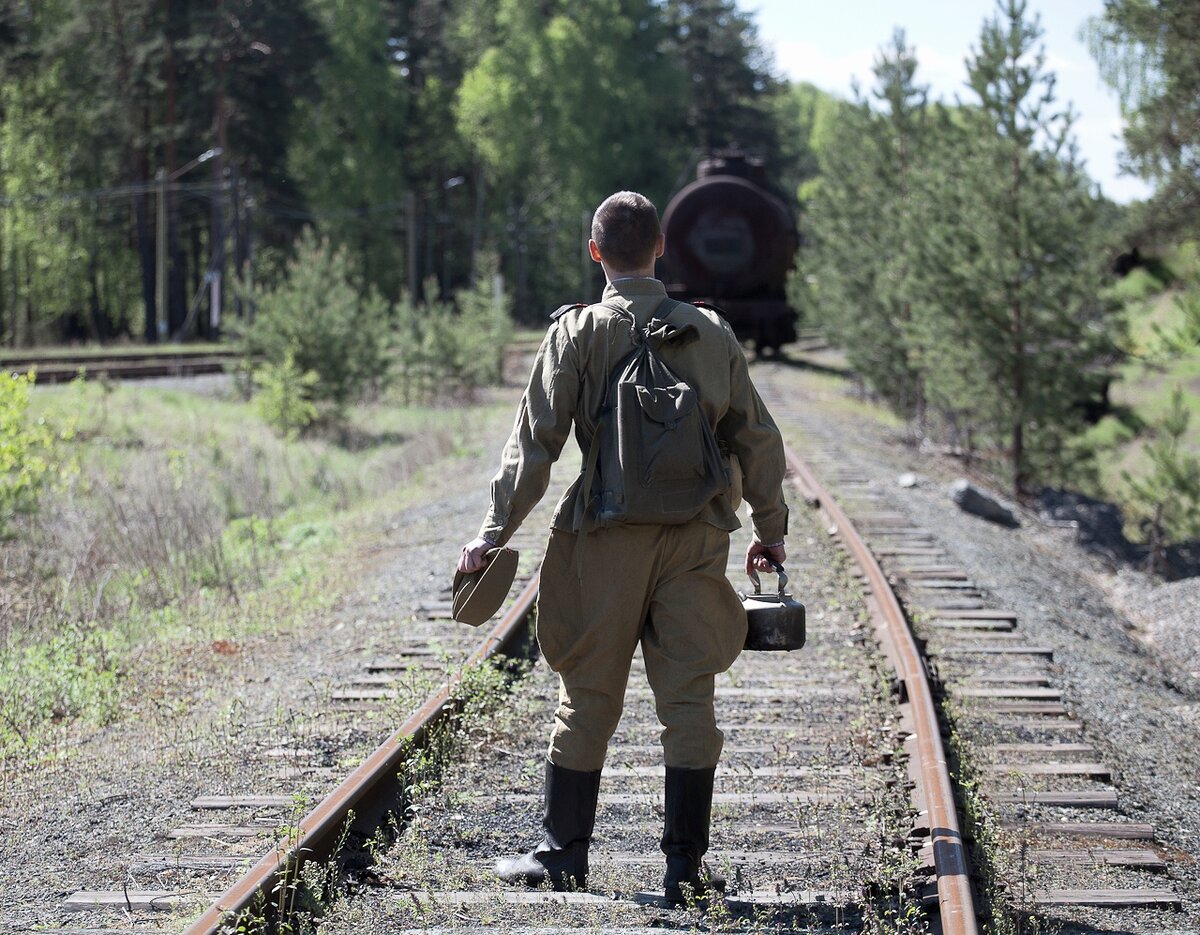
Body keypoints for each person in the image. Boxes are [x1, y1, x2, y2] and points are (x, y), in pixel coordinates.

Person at [457, 190, 788, 905]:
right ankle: (686, 872)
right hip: (695, 538)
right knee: (689, 698)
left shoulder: (576, 334)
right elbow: (758, 439)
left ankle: (562, 856)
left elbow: (535, 448)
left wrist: (491, 534)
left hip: (600, 539)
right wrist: (770, 530)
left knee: (587, 695)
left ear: (595, 251)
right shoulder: (710, 331)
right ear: (663, 247)